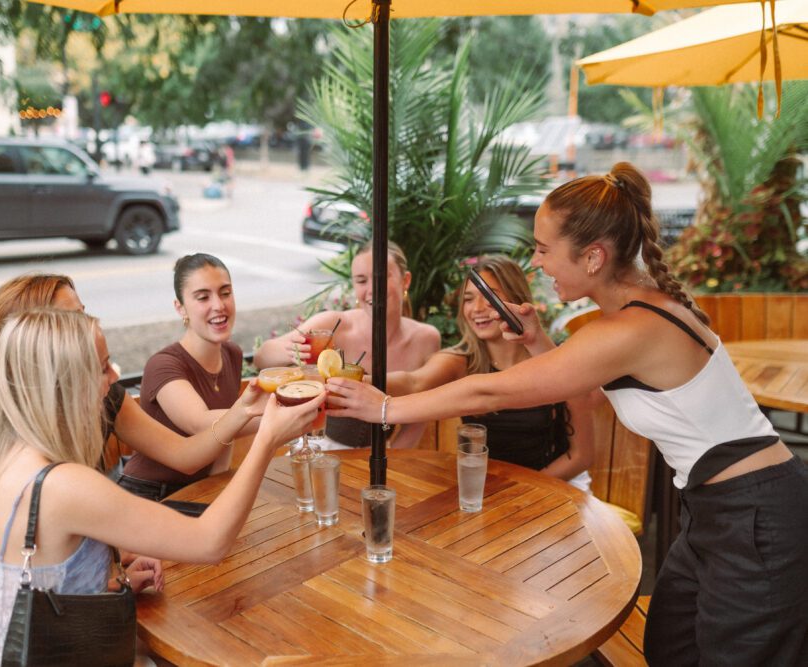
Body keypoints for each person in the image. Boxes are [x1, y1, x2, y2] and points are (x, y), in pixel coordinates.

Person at [327, 163, 807, 665]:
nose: (537, 264)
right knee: (672, 647)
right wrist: (537, 340)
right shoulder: (632, 314)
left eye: (542, 249)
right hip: (719, 511)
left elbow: (488, 393)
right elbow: (596, 393)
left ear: (594, 256)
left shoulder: (627, 329)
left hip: (755, 515)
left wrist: (385, 407)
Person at [0, 308, 321, 666]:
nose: (114, 376)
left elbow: (50, 576)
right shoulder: (64, 485)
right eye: (102, 367)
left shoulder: (5, 455)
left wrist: (111, 573)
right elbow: (211, 542)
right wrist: (267, 439)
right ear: (64, 383)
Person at [0, 274, 260, 514]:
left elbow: (185, 455)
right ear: (33, 340)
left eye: (84, 313)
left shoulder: (105, 397)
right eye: (73, 320)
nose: (88, 326)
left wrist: (248, 411)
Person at [384, 255, 593, 491]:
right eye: (469, 299)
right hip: (490, 487)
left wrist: (521, 489)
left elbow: (581, 457)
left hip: (556, 483)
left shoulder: (558, 361)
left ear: (516, 300)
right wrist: (359, 380)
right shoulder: (462, 362)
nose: (477, 309)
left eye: (489, 296)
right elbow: (413, 382)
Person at [254, 240, 441, 449]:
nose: (372, 289)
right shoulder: (334, 326)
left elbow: (416, 421)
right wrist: (289, 350)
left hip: (382, 457)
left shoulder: (427, 339)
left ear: (405, 281)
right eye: (361, 281)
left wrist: (390, 466)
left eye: (381, 277)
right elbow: (261, 356)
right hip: (319, 450)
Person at [119, 254, 258, 499]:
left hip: (201, 488)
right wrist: (278, 411)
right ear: (180, 307)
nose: (219, 305)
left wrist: (218, 490)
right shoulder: (163, 364)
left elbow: (225, 438)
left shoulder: (232, 353)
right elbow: (201, 423)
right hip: (150, 494)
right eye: (203, 297)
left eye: (225, 293)